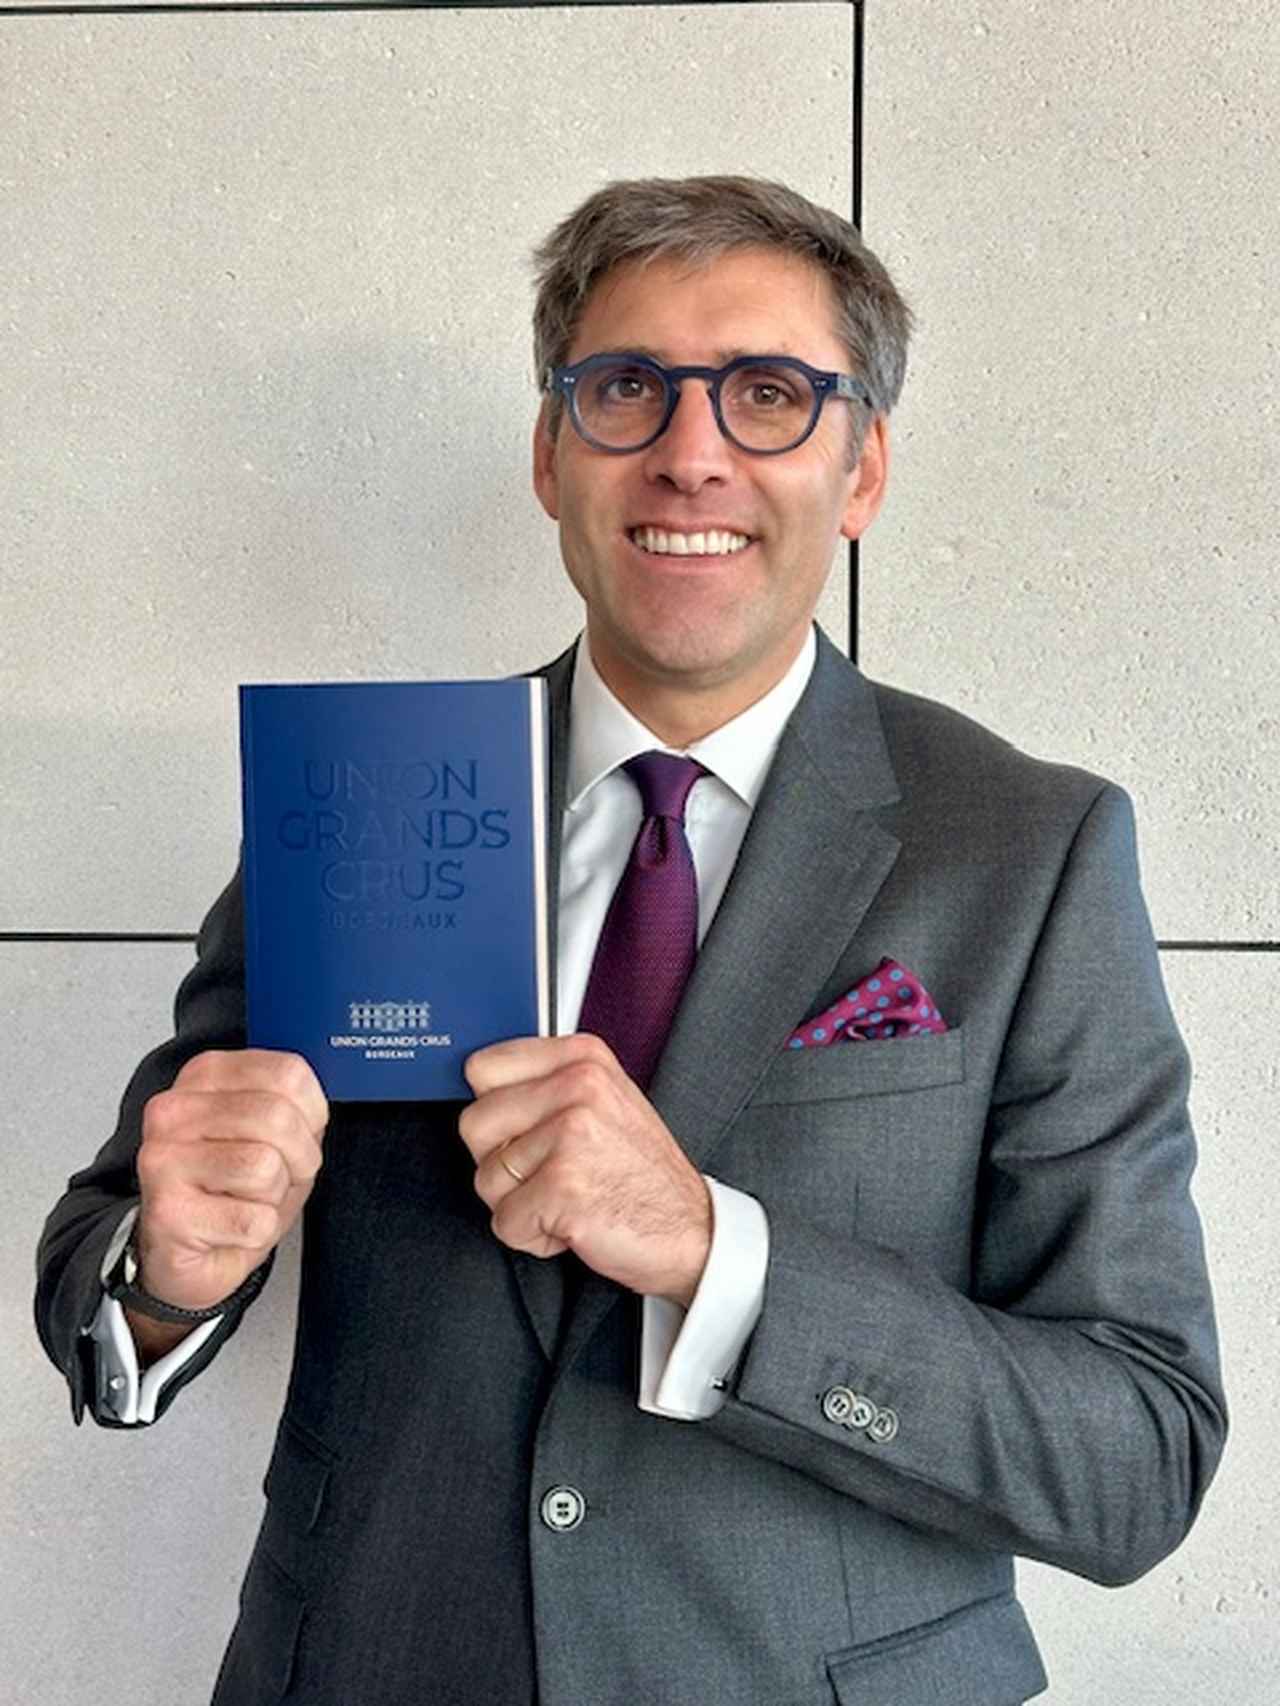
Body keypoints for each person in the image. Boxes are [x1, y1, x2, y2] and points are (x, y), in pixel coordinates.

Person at [36, 175, 1226, 1706]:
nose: (691, 452)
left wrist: (717, 1254)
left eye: (770, 394)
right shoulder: (366, 795)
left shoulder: (1028, 850)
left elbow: (1137, 1450)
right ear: (551, 451)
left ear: (862, 468)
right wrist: (164, 1274)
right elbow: (109, 1252)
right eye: (626, 389)